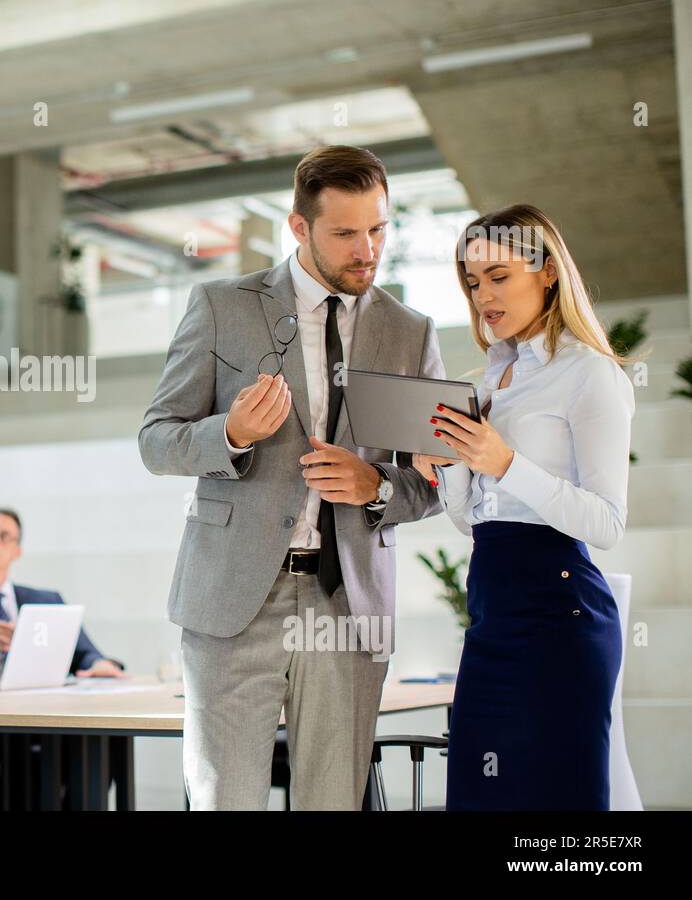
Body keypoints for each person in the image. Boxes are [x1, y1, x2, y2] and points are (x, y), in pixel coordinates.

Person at [139, 144, 444, 810]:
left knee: (333, 801)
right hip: (235, 600)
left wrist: (377, 486)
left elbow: (433, 484)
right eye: (345, 233)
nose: (367, 249)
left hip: (349, 604)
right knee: (226, 800)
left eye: (378, 228)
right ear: (299, 228)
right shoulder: (223, 306)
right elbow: (156, 440)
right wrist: (231, 435)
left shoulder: (409, 333)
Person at [411, 204, 632, 810]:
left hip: (561, 615)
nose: (484, 294)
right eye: (473, 281)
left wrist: (505, 462)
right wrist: (450, 465)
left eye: (499, 275)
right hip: (492, 610)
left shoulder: (591, 375)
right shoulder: (485, 383)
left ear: (548, 273)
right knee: (480, 797)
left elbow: (607, 523)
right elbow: (472, 520)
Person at [0, 505, 123, 682]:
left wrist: (98, 664)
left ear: (17, 551)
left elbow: (84, 654)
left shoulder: (48, 602)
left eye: (5, 536)